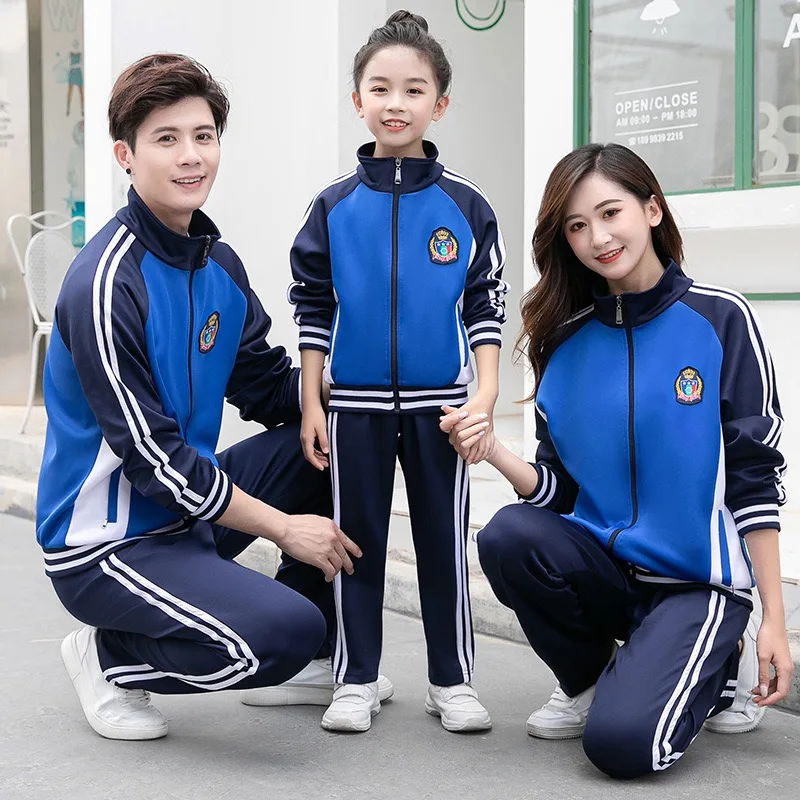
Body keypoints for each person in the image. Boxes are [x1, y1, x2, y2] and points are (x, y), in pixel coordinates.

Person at [36, 52, 379, 742]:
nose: (191, 156)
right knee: (278, 635)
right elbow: (156, 462)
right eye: (166, 139)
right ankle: (108, 658)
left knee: (340, 436)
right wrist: (283, 528)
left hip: (186, 515)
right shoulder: (105, 285)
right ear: (125, 156)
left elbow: (267, 385)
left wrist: (366, 389)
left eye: (203, 136)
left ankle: (312, 653)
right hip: (108, 544)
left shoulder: (216, 263)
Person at [440, 143, 792, 777]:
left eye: (610, 213)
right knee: (507, 535)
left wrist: (774, 620)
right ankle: (588, 680)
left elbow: (753, 480)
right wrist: (492, 451)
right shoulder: (563, 340)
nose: (597, 238)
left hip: (697, 584)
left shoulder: (720, 319)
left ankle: (723, 662)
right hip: (608, 574)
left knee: (622, 747)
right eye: (577, 226)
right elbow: (560, 493)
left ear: (651, 209)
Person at [280, 11, 508, 733]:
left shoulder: (467, 205)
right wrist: (312, 402)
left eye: (414, 89)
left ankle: (453, 681)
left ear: (440, 102)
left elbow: (487, 304)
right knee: (356, 542)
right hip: (354, 405)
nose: (396, 103)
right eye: (380, 88)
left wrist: (485, 396)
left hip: (444, 408)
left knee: (443, 542)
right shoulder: (332, 206)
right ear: (357, 100)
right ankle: (356, 678)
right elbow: (313, 306)